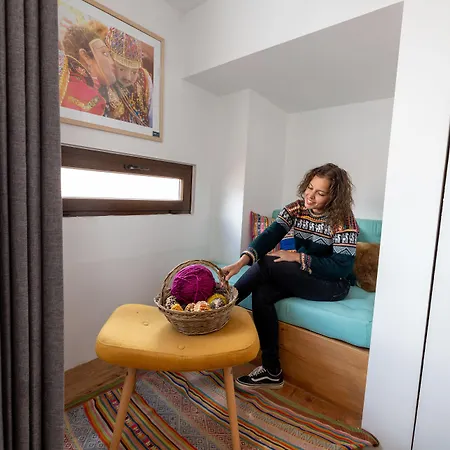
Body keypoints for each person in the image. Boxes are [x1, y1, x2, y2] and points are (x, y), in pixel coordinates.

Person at [222, 163, 359, 390]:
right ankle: (271, 371)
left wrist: (297, 258)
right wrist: (240, 263)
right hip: (306, 275)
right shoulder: (297, 209)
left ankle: (223, 306)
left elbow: (341, 268)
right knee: (262, 292)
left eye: (320, 193)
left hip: (333, 284)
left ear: (334, 197)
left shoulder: (344, 221)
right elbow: (270, 235)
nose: (310, 196)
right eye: (310, 187)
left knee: (269, 263)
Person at [60, 25, 116, 115]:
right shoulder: (94, 100)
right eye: (104, 53)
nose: (111, 62)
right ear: (85, 56)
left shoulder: (64, 81)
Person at [104, 27, 153, 127]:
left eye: (134, 72)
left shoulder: (144, 78)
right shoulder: (102, 80)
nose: (128, 77)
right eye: (122, 69)